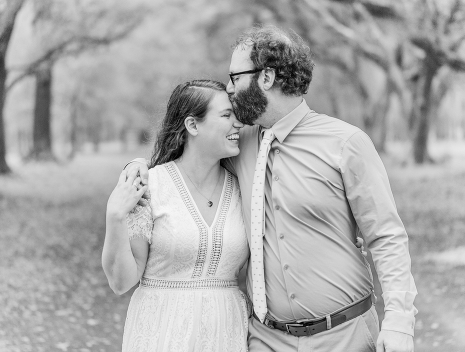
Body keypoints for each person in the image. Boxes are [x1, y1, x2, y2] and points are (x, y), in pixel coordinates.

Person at [125, 25, 417, 352]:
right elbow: (188, 155)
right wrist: (136, 168)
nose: (230, 88)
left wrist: (399, 320)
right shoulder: (239, 145)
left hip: (345, 335)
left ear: (265, 77)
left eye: (235, 77)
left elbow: (386, 235)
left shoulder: (346, 144)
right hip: (265, 339)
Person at [103, 80, 248, 351]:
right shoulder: (150, 186)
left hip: (226, 334)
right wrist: (114, 216)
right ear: (193, 126)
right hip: (162, 333)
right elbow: (122, 281)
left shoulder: (243, 189)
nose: (238, 124)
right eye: (227, 115)